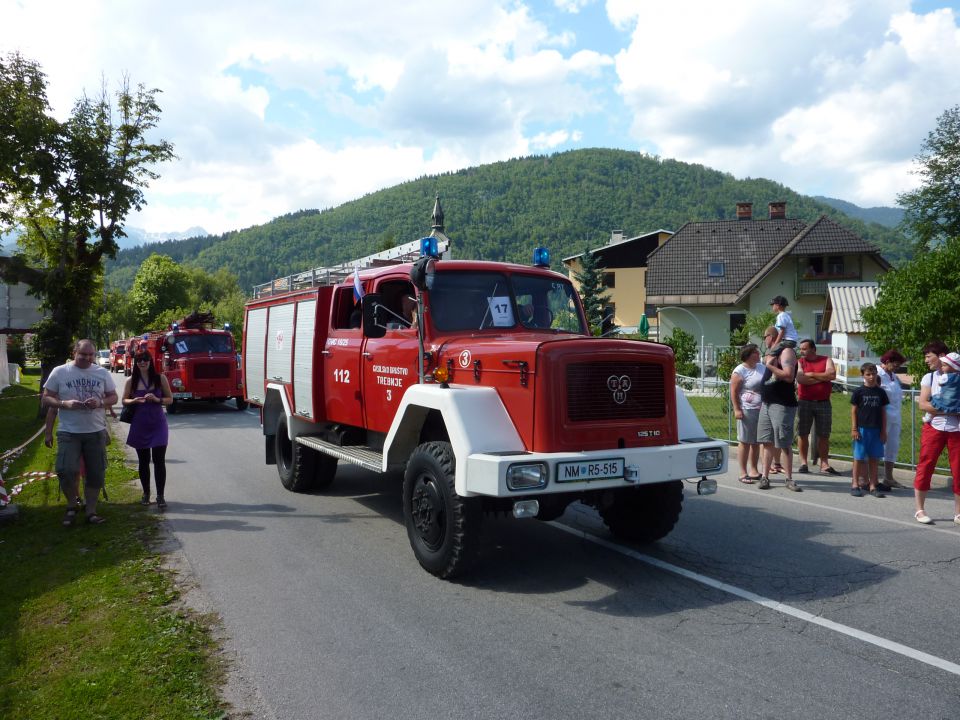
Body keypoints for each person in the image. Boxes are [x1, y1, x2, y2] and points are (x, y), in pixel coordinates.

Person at [42, 339, 118, 526]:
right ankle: (72, 505)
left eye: (91, 354)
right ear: (74, 353)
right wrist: (63, 404)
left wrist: (100, 403)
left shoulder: (101, 372)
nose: (88, 358)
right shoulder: (60, 372)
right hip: (69, 432)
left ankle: (90, 510)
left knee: (96, 472)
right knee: (66, 470)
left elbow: (113, 396)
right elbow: (46, 398)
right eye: (83, 354)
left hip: (95, 431)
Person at [913, 340, 960, 525]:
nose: (926, 360)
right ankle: (919, 509)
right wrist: (951, 410)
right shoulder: (929, 378)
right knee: (926, 465)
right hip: (934, 428)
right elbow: (923, 404)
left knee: (959, 470)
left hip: (957, 430)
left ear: (941, 357)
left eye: (928, 356)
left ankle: (958, 513)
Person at [122, 351, 173, 509]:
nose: (142, 362)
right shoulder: (131, 380)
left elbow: (170, 399)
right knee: (143, 461)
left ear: (150, 361)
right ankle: (146, 493)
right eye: (139, 360)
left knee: (159, 461)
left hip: (158, 424)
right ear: (135, 363)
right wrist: (134, 400)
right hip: (140, 424)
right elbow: (124, 400)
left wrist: (157, 400)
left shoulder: (160, 378)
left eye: (145, 359)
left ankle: (160, 496)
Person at [756, 326, 801, 491]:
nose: (764, 340)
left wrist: (770, 366)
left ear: (771, 336)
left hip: (782, 404)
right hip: (767, 403)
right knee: (766, 442)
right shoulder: (773, 353)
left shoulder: (786, 352)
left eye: (764, 337)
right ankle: (765, 477)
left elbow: (789, 377)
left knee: (784, 442)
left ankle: (789, 479)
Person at [795, 339, 839, 475]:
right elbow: (801, 379)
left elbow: (832, 375)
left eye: (804, 349)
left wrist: (812, 375)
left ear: (813, 349)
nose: (801, 351)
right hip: (804, 402)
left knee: (824, 434)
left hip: (823, 402)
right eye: (801, 349)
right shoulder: (800, 362)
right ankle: (803, 463)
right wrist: (822, 377)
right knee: (803, 433)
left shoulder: (826, 360)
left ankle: (824, 463)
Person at [849, 363, 888, 498]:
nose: (871, 377)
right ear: (863, 375)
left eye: (874, 374)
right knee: (859, 457)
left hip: (876, 430)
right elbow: (853, 411)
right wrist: (854, 428)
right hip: (862, 429)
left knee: (874, 458)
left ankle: (872, 485)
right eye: (868, 374)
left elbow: (883, 413)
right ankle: (855, 483)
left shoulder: (881, 392)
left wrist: (883, 431)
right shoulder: (859, 392)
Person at [730, 344, 764, 484]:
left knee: (756, 441)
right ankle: (743, 472)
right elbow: (734, 392)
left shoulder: (762, 367)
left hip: (761, 410)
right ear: (749, 355)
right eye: (755, 352)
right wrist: (737, 409)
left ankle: (754, 470)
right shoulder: (740, 371)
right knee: (745, 441)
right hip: (747, 409)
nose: (758, 354)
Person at [878, 349, 906, 489]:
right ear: (887, 362)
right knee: (878, 446)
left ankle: (888, 477)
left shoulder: (893, 376)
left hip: (895, 416)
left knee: (892, 447)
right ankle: (870, 478)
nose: (897, 367)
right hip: (882, 416)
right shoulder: (877, 373)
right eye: (895, 364)